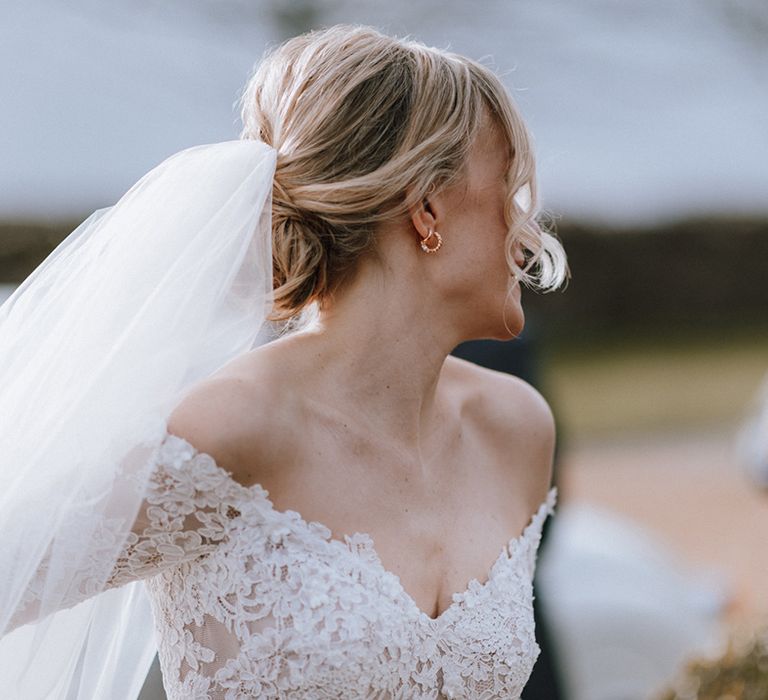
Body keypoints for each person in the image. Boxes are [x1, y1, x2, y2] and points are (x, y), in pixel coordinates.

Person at [0, 24, 567, 699]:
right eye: (511, 189)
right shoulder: (233, 428)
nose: (528, 232)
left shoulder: (514, 430)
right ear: (427, 207)